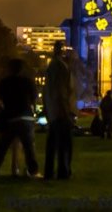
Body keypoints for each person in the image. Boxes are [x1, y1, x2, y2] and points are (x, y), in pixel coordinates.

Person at [0, 59, 40, 179]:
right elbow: (34, 98)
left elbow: (1, 98)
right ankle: (33, 171)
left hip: (10, 116)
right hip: (25, 116)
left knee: (2, 146)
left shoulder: (4, 82)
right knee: (29, 147)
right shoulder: (28, 82)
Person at [43, 40, 74, 180]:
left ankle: (49, 172)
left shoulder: (51, 66)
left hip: (52, 110)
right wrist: (65, 110)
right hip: (60, 110)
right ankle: (63, 171)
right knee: (65, 144)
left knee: (52, 144)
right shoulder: (60, 66)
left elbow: (48, 90)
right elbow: (61, 90)